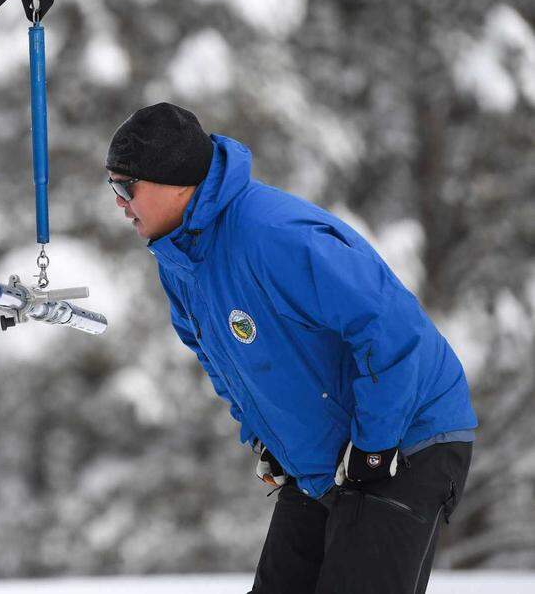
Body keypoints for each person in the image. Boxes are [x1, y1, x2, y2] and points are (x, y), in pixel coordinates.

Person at [105, 103, 477, 594]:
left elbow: (391, 329)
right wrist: (266, 437)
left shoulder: (273, 236)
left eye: (126, 188)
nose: (118, 202)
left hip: (407, 436)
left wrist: (374, 444)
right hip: (328, 455)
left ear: (176, 182)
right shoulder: (179, 260)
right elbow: (219, 359)